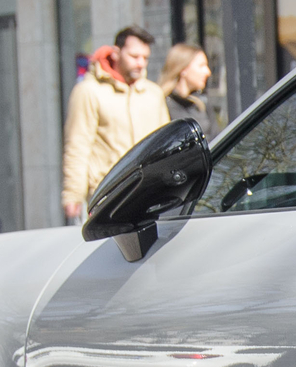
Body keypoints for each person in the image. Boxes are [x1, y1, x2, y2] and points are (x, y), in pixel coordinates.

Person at [62, 24, 167, 220]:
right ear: (117, 53)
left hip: (148, 196)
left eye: (145, 58)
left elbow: (164, 146)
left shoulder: (153, 94)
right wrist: (73, 195)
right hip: (106, 198)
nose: (140, 63)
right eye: (134, 57)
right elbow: (77, 146)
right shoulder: (89, 91)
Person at [160, 42, 213, 131]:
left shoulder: (201, 103)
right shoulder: (162, 105)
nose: (208, 72)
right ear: (183, 69)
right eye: (201, 65)